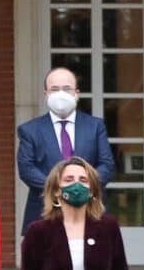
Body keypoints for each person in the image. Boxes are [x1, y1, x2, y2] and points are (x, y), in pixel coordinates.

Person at [14, 67, 117, 231]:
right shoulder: (30, 130)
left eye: (66, 89)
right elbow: (27, 169)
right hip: (45, 212)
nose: (60, 93)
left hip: (91, 211)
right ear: (46, 94)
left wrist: (82, 188)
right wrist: (59, 189)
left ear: (76, 93)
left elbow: (107, 165)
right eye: (54, 89)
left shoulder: (95, 126)